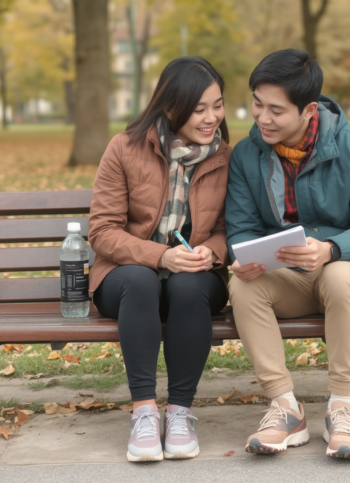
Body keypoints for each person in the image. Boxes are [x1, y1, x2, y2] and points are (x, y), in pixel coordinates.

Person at [225, 49, 350, 460]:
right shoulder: (248, 154)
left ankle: (342, 407)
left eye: (276, 110)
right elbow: (243, 227)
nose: (262, 118)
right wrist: (246, 255)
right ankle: (285, 407)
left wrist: (332, 249)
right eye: (256, 103)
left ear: (308, 109)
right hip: (292, 275)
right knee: (243, 286)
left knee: (337, 275)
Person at [88, 57, 231, 462]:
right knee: (141, 279)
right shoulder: (125, 148)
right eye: (199, 108)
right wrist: (162, 256)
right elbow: (102, 231)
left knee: (189, 286)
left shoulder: (226, 157)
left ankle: (180, 413)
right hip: (126, 280)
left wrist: (212, 250)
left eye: (217, 105)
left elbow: (228, 229)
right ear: (170, 106)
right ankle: (145, 412)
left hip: (195, 280)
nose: (211, 118)